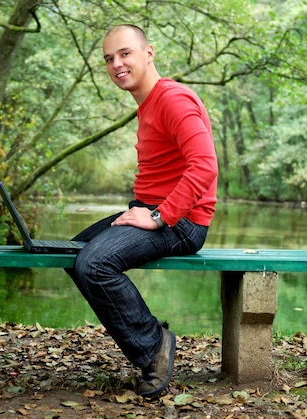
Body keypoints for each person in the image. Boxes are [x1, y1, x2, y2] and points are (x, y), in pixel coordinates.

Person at [65, 24, 218, 398]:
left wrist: (158, 217)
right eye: (109, 58)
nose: (116, 63)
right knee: (69, 253)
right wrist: (146, 211)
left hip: (181, 222)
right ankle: (147, 340)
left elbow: (205, 166)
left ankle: (154, 346)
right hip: (154, 211)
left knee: (94, 263)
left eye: (125, 53)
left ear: (149, 52)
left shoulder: (173, 99)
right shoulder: (149, 103)